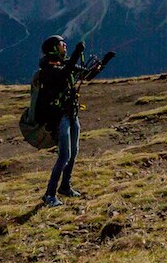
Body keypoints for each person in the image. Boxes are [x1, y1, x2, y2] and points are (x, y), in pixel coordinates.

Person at [33, 35, 114, 207]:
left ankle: (65, 187)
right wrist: (77, 52)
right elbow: (64, 75)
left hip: (71, 114)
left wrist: (104, 61)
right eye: (62, 44)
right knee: (64, 156)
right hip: (59, 117)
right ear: (53, 49)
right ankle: (49, 195)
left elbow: (86, 75)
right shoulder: (48, 70)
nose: (65, 47)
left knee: (74, 151)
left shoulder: (63, 65)